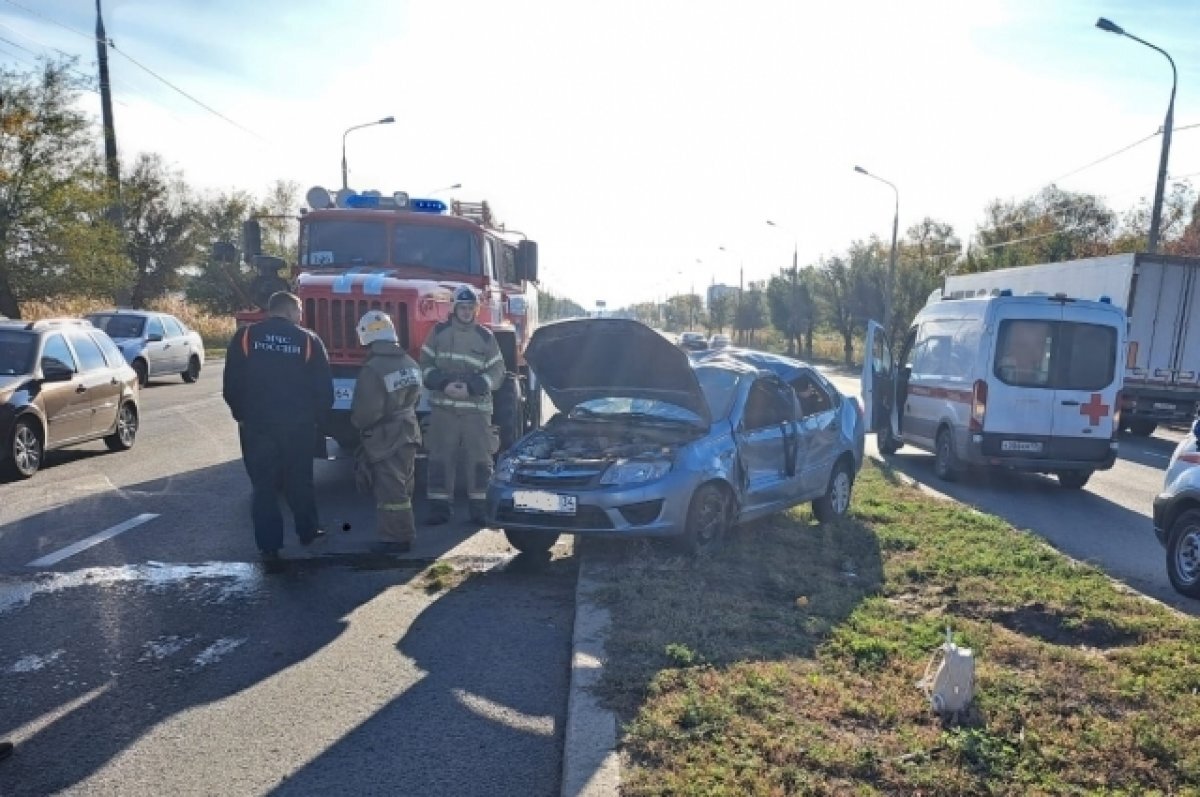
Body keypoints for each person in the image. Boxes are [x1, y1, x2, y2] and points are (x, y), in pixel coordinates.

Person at [222, 291, 335, 569]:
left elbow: (231, 384)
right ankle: (308, 532)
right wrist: (316, 420)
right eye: (299, 313)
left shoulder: (246, 338)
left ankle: (269, 547)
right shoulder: (308, 340)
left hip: (257, 425)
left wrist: (242, 416)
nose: (300, 317)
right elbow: (325, 390)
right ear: (291, 312)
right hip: (298, 426)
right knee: (300, 480)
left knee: (264, 487)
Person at [420, 285, 506, 525]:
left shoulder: (486, 337)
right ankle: (439, 508)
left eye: (470, 308)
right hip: (443, 409)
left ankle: (479, 510)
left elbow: (498, 370)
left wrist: (474, 386)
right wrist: (443, 383)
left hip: (475, 412)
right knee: (439, 458)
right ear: (454, 308)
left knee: (479, 460)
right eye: (462, 307)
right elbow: (424, 363)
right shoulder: (438, 332)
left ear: (476, 310)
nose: (466, 312)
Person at [351, 311, 422, 553]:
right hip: (409, 431)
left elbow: (366, 412)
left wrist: (358, 425)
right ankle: (399, 533)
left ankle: (398, 537)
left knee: (390, 489)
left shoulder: (373, 369)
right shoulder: (410, 363)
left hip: (385, 436)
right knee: (404, 483)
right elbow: (416, 396)